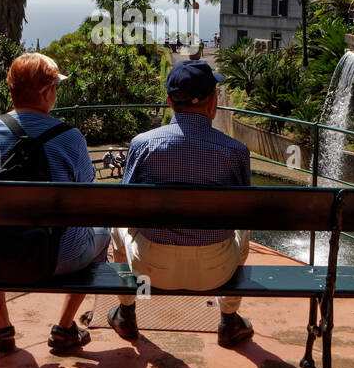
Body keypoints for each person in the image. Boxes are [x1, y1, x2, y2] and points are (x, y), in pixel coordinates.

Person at [0, 53, 110, 355]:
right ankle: (64, 328)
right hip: (60, 258)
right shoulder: (71, 138)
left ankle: (2, 327)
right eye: (55, 87)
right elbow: (86, 196)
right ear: (46, 92)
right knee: (102, 233)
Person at [108, 59, 254, 349]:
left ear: (169, 102)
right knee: (244, 228)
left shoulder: (142, 145)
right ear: (212, 103)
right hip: (216, 270)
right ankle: (228, 320)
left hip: (150, 269)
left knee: (117, 227)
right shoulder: (236, 151)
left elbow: (126, 205)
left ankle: (126, 311)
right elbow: (245, 210)